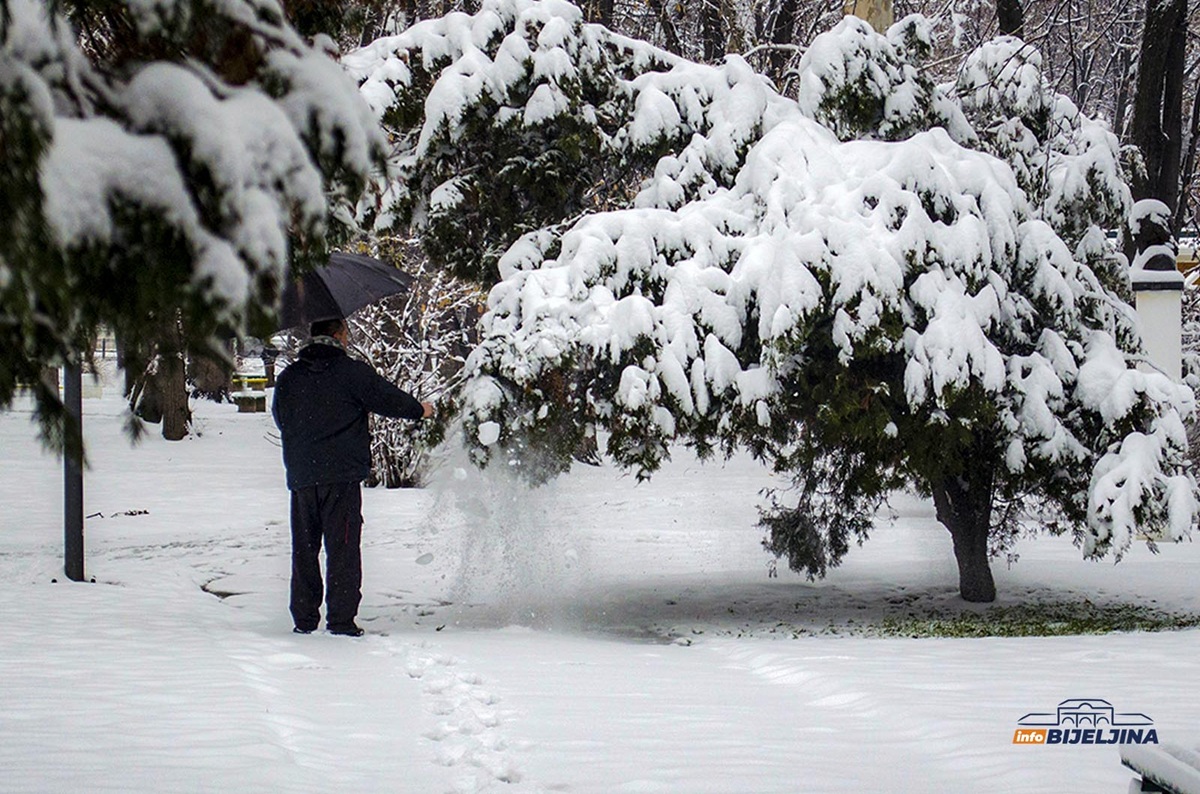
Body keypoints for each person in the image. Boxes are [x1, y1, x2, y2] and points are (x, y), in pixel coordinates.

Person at [272, 317, 433, 637]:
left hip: (303, 475)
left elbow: (281, 418)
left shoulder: (289, 377)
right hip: (341, 476)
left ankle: (304, 619)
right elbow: (388, 399)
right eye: (346, 334)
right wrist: (420, 409)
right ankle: (341, 620)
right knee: (343, 547)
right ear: (337, 335)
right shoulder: (352, 373)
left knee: (304, 548)